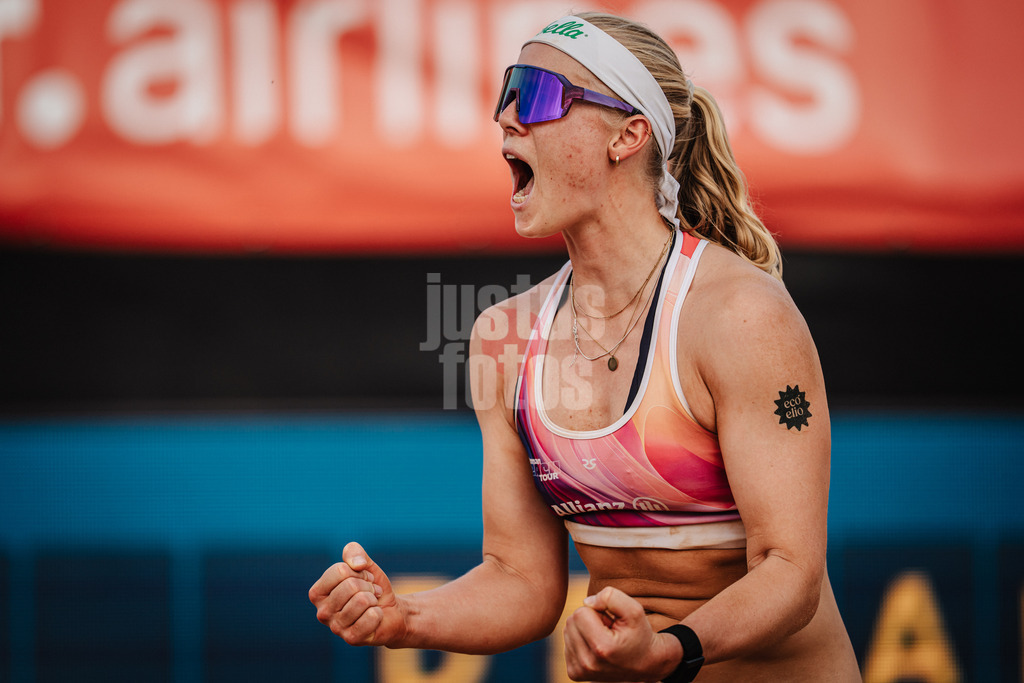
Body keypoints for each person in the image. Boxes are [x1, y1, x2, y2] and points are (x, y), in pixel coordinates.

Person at [310, 11, 860, 682]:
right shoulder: (501, 339)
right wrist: (405, 618)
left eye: (537, 95)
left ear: (626, 135)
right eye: (507, 91)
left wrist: (666, 649)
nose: (508, 118)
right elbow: (521, 579)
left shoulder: (740, 314)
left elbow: (791, 572)